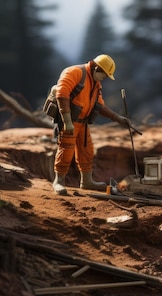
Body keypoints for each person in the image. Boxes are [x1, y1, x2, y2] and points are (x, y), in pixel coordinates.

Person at [51, 54, 131, 195]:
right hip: (70, 120)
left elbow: (99, 105)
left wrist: (117, 118)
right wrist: (67, 121)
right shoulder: (74, 72)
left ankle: (86, 181)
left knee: (87, 150)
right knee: (66, 149)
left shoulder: (95, 83)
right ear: (96, 68)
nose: (104, 78)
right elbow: (62, 94)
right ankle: (59, 181)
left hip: (83, 123)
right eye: (104, 75)